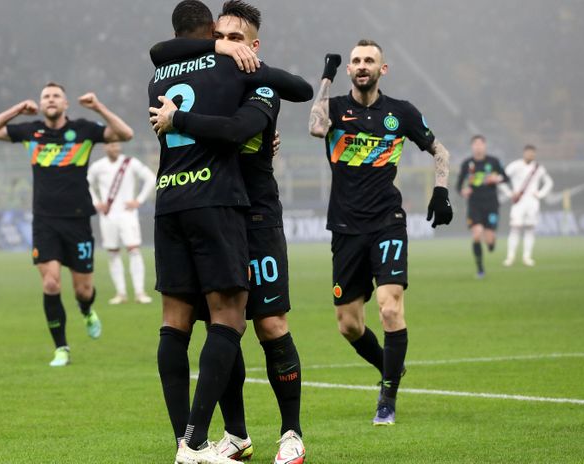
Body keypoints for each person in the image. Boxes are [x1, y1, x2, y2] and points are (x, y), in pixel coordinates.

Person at [146, 1, 312, 462]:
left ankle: (291, 434)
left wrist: (179, 119)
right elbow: (165, 51)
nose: (226, 47)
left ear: (253, 47)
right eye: (220, 38)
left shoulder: (258, 84)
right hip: (214, 211)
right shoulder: (213, 72)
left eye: (236, 40)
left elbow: (241, 129)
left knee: (269, 323)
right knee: (221, 326)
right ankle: (236, 434)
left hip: (255, 217)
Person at [308, 40, 453, 426]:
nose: (361, 66)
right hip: (345, 228)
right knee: (349, 324)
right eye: (355, 61)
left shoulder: (401, 113)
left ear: (382, 69)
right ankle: (390, 366)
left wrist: (441, 190)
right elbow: (315, 128)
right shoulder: (336, 108)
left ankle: (387, 399)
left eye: (368, 60)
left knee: (390, 307)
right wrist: (326, 75)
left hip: (387, 221)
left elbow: (441, 152)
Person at [0, 82, 134, 366]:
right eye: (46, 96)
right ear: (40, 104)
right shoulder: (30, 131)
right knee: (50, 284)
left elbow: (126, 133)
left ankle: (86, 311)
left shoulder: (85, 129)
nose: (50, 100)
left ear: (65, 104)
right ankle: (61, 348)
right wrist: (16, 110)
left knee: (83, 291)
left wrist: (98, 106)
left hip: (78, 222)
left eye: (56, 96)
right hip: (45, 221)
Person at [87, 141, 156, 304]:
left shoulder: (130, 163)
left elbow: (151, 179)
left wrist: (138, 200)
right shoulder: (98, 166)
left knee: (134, 251)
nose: (115, 148)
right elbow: (86, 184)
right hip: (108, 215)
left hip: (127, 214)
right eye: (111, 145)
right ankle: (121, 293)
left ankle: (140, 292)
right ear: (105, 147)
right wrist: (96, 202)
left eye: (117, 145)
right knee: (113, 253)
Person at [456, 135, 509, 277]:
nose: (478, 146)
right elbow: (458, 186)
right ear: (472, 147)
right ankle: (480, 269)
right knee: (477, 233)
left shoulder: (494, 161)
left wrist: (496, 178)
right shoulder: (467, 164)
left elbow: (506, 177)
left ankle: (492, 242)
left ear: (485, 146)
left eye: (481, 144)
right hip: (474, 205)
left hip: (491, 204)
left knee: (489, 239)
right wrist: (463, 191)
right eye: (475, 144)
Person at [502, 144, 553, 267]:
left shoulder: (538, 168)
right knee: (515, 228)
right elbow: (501, 179)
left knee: (530, 229)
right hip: (518, 201)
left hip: (532, 202)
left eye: (533, 153)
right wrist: (509, 193)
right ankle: (510, 257)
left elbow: (549, 182)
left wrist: (540, 194)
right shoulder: (515, 166)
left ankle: (527, 257)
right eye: (529, 152)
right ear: (524, 153)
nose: (531, 155)